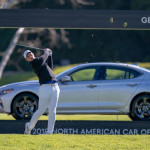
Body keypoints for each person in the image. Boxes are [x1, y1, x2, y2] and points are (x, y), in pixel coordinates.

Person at [23, 48, 60, 135]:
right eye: (28, 56)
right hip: (45, 88)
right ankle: (29, 127)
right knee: (41, 110)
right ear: (27, 60)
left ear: (33, 54)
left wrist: (50, 56)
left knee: (53, 111)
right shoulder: (34, 62)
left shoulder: (40, 61)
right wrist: (47, 52)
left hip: (55, 87)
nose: (30, 56)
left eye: (30, 54)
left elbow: (50, 68)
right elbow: (43, 58)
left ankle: (49, 132)